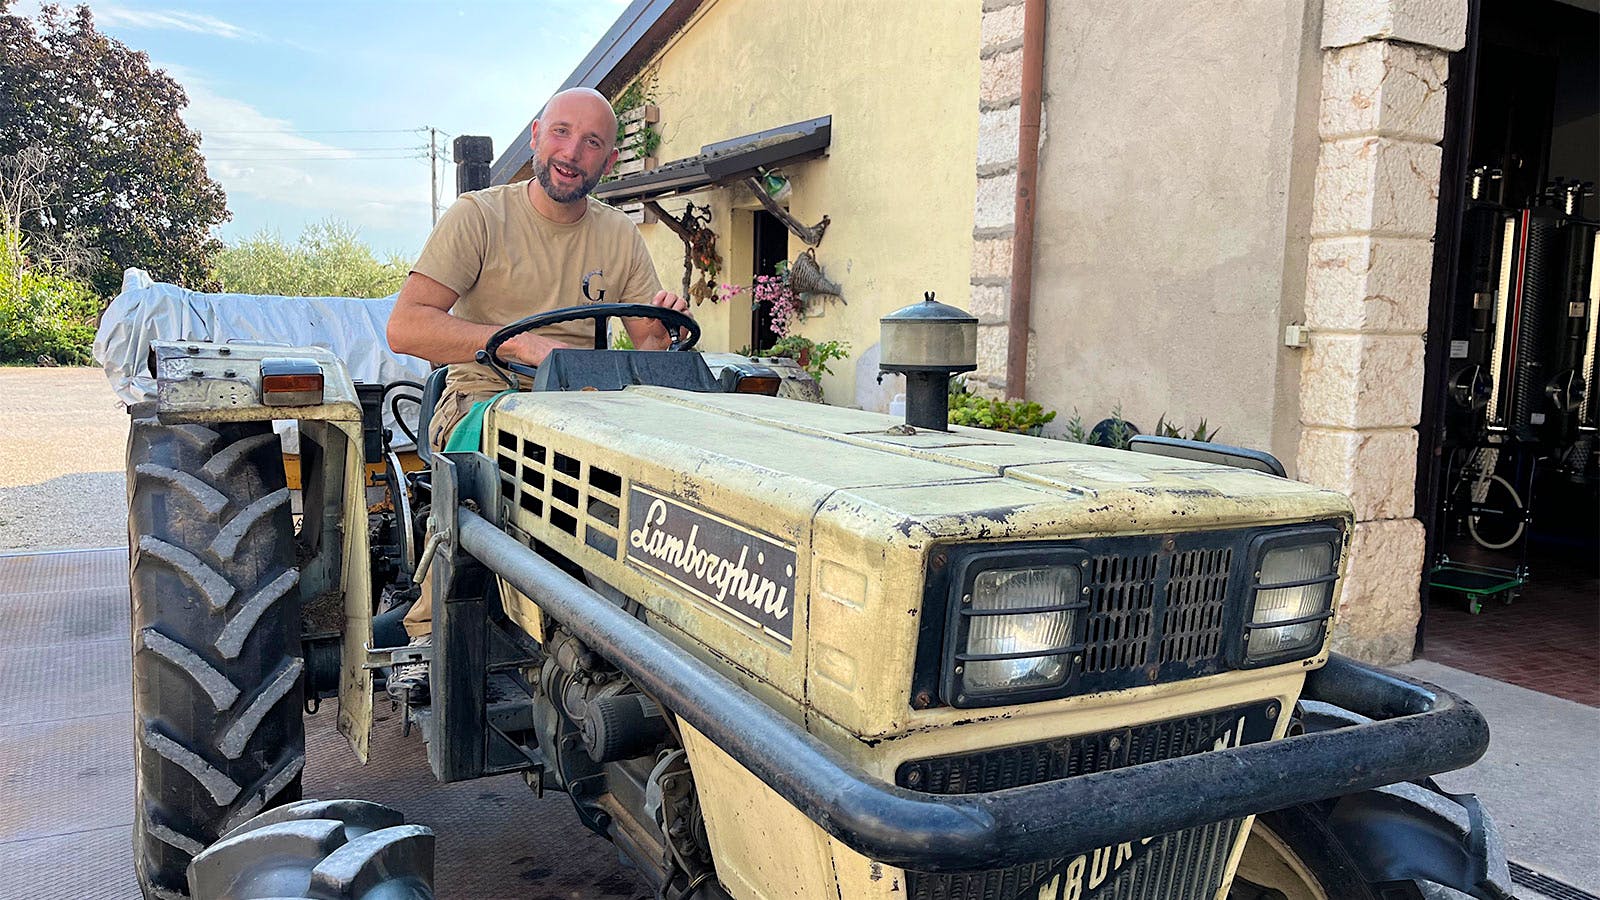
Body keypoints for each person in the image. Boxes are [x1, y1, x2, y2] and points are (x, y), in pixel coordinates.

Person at [384, 87, 691, 702]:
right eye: (561, 133)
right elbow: (406, 326)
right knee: (504, 463)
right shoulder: (479, 217)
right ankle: (428, 627)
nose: (572, 153)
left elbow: (651, 347)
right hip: (481, 397)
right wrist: (518, 345)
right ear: (535, 136)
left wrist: (664, 327)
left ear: (609, 161)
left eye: (592, 142)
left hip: (586, 407)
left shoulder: (619, 236)